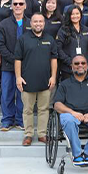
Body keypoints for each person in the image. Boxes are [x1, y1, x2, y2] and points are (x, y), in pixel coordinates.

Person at [54, 55, 88, 166]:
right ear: (71, 67)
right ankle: (77, 154)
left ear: (87, 65)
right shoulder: (64, 84)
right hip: (71, 114)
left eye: (83, 63)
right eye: (77, 63)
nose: (80, 65)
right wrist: (72, 113)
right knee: (68, 120)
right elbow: (57, 105)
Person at [15, 13, 58, 146]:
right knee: (27, 110)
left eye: (40, 21)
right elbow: (18, 59)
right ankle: (28, 135)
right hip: (27, 81)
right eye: (35, 22)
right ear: (31, 23)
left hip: (45, 81)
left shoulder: (50, 39)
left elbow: (54, 59)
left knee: (43, 109)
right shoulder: (23, 39)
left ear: (44, 23)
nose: (38, 24)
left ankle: (42, 134)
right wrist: (18, 77)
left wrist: (53, 76)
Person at [0, 0, 30, 131]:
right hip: (8, 66)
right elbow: (0, 44)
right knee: (7, 93)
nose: (17, 6)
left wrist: (24, 61)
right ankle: (7, 120)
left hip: (26, 66)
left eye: (20, 4)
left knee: (22, 94)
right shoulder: (4, 24)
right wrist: (14, 59)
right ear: (11, 6)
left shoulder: (31, 23)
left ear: (25, 6)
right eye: (15, 4)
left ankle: (20, 120)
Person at [57, 6, 88, 81]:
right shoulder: (63, 30)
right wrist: (69, 62)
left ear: (81, 15)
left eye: (77, 13)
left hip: (84, 68)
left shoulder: (87, 30)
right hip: (68, 68)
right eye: (72, 14)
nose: (75, 16)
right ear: (69, 16)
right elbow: (58, 48)